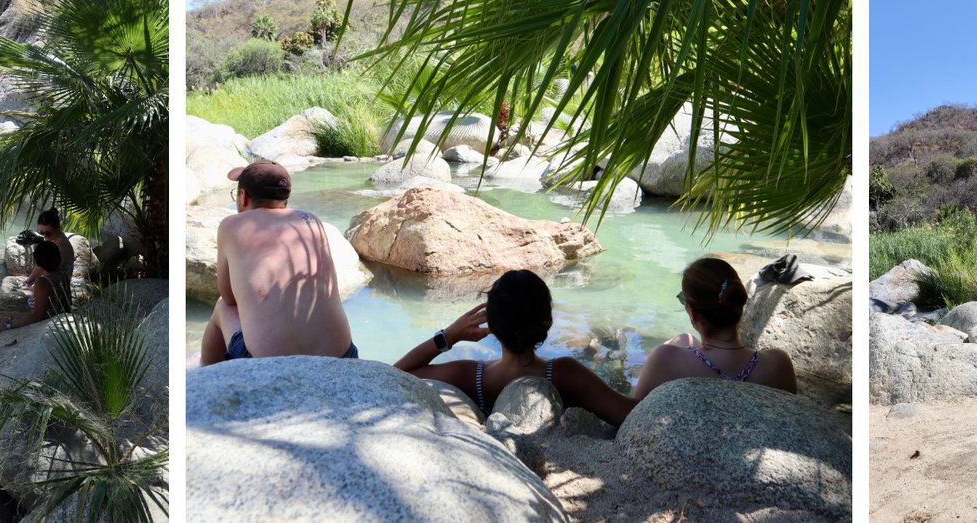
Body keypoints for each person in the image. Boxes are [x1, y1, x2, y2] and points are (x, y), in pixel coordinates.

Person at [395, 269, 638, 426]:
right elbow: (628, 414)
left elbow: (396, 375)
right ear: (548, 322)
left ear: (491, 326)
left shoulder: (471, 376)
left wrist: (449, 336)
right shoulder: (565, 373)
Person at [199, 160, 355, 364]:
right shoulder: (311, 220)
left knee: (222, 307)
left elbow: (228, 297)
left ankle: (207, 376)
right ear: (285, 198)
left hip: (269, 365)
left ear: (243, 196)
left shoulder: (231, 225)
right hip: (343, 355)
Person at [633, 257, 797, 398]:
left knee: (681, 341)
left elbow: (633, 414)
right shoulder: (778, 364)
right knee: (684, 339)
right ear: (738, 303)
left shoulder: (666, 359)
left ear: (692, 312)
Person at [0, 241, 72, 336]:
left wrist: (6, 325)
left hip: (45, 322)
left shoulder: (43, 282)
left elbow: (37, 317)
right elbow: (66, 302)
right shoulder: (63, 274)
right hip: (59, 316)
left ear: (38, 262)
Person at [26, 208, 76, 285]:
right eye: (41, 232)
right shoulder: (52, 239)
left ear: (57, 228)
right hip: (50, 279)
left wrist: (29, 282)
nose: (44, 236)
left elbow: (43, 266)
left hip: (58, 285)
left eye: (48, 233)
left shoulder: (62, 247)